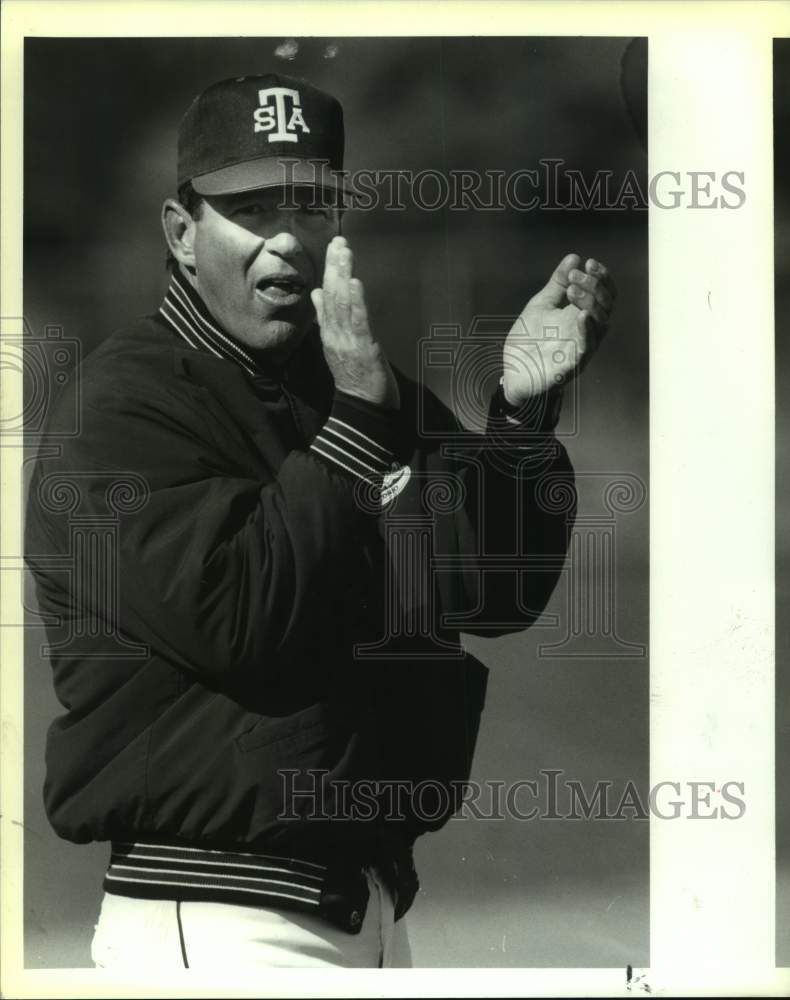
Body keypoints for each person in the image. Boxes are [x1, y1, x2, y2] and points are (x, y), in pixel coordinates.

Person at [24, 72, 616, 969]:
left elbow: (489, 588)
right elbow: (242, 614)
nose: (289, 240)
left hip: (369, 909)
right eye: (254, 208)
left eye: (313, 205)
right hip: (216, 919)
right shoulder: (124, 406)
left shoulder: (344, 388)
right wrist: (358, 427)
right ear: (182, 234)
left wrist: (519, 417)